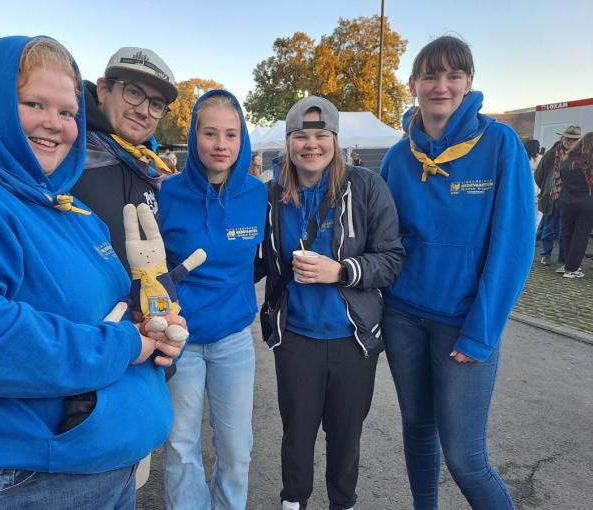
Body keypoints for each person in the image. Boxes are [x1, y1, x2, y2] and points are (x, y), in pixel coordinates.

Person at [0, 36, 184, 509]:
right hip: (10, 480)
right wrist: (124, 345)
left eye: (66, 112)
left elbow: (112, 307)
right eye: (33, 103)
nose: (53, 125)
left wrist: (154, 330)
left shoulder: (65, 206)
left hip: (90, 469)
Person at [380, 36, 534, 509]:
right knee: (417, 431)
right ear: (413, 85)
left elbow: (513, 246)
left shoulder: (499, 144)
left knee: (466, 458)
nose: (441, 85)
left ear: (469, 83)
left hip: (463, 324)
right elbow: (378, 240)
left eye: (453, 75)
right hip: (403, 319)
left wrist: (480, 332)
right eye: (430, 75)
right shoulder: (398, 156)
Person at [255, 96, 404, 510]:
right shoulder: (270, 195)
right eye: (301, 136)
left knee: (345, 434)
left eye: (321, 135)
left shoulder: (366, 186)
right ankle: (293, 501)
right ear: (288, 142)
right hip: (296, 334)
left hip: (353, 337)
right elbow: (253, 259)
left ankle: (343, 502)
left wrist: (341, 271)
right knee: (297, 432)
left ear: (335, 141)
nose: (311, 145)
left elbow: (392, 259)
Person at [158, 90, 267, 509]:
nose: (221, 145)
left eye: (231, 134)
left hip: (233, 340)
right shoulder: (168, 193)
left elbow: (266, 259)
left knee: (237, 449)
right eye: (210, 133)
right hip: (179, 339)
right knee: (181, 445)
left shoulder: (258, 195)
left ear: (242, 141)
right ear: (193, 138)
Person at [71, 46, 178, 274]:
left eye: (156, 104)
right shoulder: (64, 152)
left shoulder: (147, 168)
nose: (143, 111)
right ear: (103, 90)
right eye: (134, 93)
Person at [534, 125, 581, 267]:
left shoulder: (579, 155)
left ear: (577, 141)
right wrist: (548, 188)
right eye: (567, 138)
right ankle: (545, 255)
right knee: (548, 228)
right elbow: (539, 174)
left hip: (569, 198)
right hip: (552, 196)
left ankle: (563, 257)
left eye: (573, 139)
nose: (569, 141)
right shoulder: (551, 153)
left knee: (565, 230)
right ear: (562, 137)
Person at [558, 132, 593, 278]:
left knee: (567, 233)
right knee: (581, 235)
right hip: (587, 202)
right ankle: (572, 269)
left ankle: (567, 264)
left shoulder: (567, 160)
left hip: (566, 200)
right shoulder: (590, 162)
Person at [525, 139, 543, 232]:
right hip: (538, 187)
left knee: (526, 212)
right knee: (538, 214)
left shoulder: (523, 158)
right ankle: (533, 232)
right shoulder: (541, 158)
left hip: (526, 186)